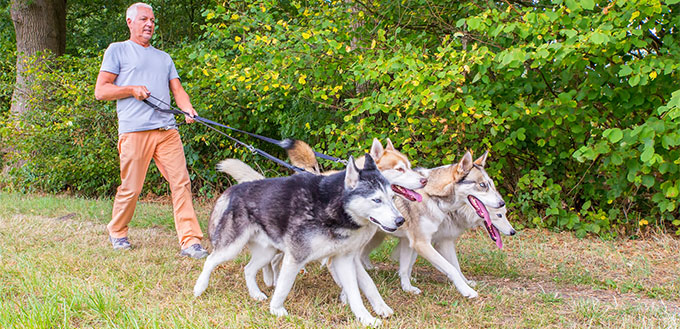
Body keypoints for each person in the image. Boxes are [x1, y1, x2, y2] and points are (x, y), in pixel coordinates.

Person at [94, 2, 207, 259]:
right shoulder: (118, 50)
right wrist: (131, 89)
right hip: (135, 131)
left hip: (167, 130)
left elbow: (177, 90)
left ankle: (190, 241)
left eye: (152, 21)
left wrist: (188, 108)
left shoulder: (163, 57)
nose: (149, 24)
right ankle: (118, 231)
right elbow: (101, 90)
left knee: (181, 183)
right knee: (131, 187)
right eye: (144, 19)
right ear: (130, 22)